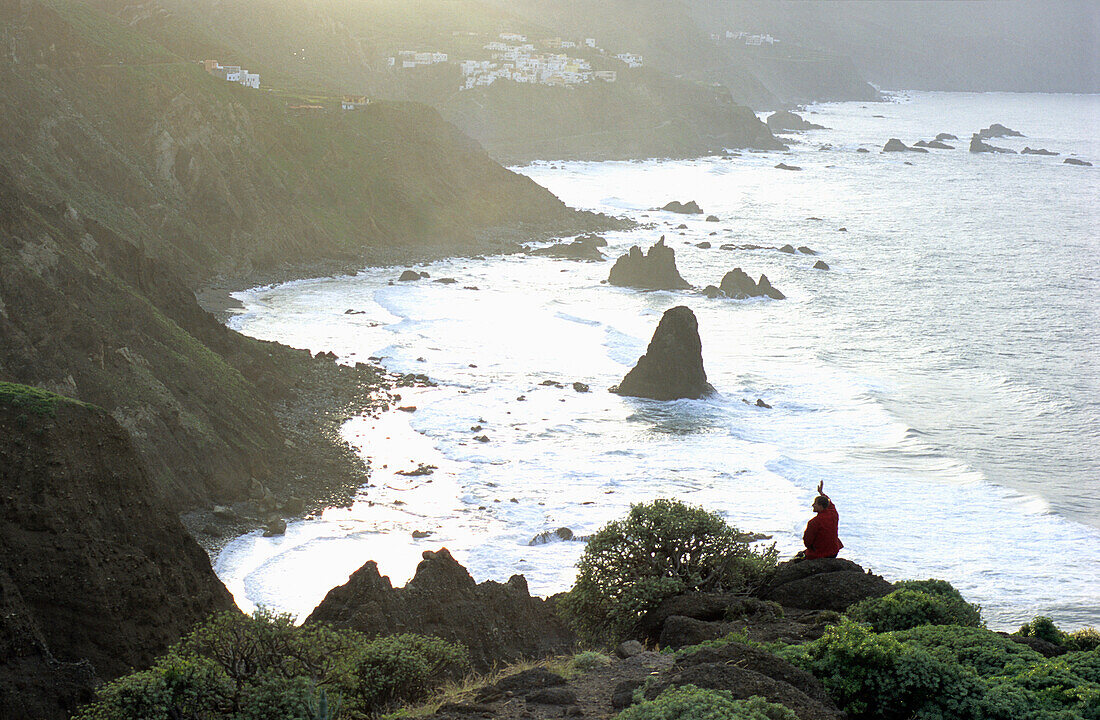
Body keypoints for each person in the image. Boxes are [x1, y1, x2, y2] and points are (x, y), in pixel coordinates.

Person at [796, 481, 843, 560]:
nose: (812, 505)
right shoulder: (833, 514)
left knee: (798, 557)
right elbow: (830, 503)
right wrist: (821, 493)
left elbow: (807, 542)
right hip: (834, 552)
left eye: (815, 503)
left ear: (821, 506)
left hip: (820, 554)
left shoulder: (814, 522)